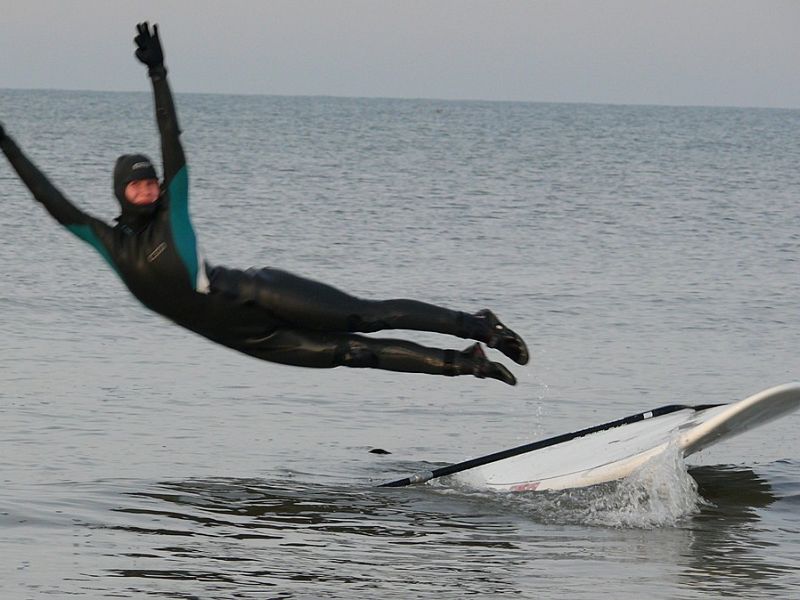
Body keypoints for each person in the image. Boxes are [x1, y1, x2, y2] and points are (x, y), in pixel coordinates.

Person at [0, 23, 528, 385]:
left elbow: (169, 134)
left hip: (260, 293)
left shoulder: (171, 213)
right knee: (353, 354)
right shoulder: (109, 242)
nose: (147, 189)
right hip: (251, 339)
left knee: (362, 317)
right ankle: (466, 363)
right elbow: (47, 195)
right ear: (120, 192)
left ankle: (478, 324)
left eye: (151, 182)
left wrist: (157, 75)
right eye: (136, 186)